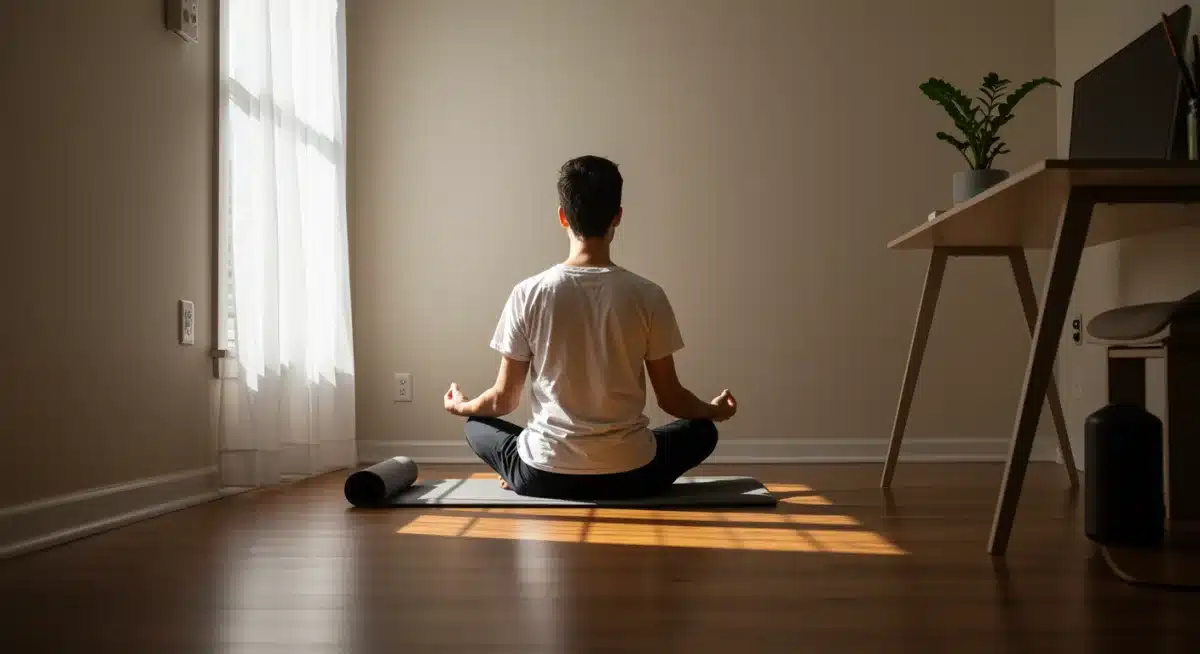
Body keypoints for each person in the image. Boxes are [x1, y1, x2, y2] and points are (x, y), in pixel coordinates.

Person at [442, 155, 737, 500]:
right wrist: (715, 411)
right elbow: (672, 399)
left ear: (562, 216)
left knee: (477, 425)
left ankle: (516, 471)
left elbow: (503, 400)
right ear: (618, 217)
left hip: (543, 474)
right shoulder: (648, 295)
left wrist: (462, 405)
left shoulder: (529, 293)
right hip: (633, 474)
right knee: (702, 431)